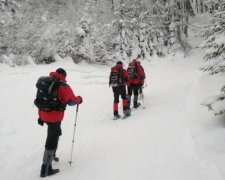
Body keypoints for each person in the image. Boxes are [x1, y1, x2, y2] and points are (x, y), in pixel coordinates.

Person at [38, 68, 83, 177]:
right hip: (54, 117)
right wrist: (79, 99)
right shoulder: (63, 85)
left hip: (43, 114)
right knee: (51, 141)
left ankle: (52, 155)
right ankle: (45, 169)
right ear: (64, 75)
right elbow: (71, 101)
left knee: (56, 133)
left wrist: (40, 116)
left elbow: (40, 99)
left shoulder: (45, 82)